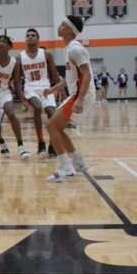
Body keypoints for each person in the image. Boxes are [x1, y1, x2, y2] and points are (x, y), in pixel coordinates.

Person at [43, 16, 95, 182]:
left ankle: (66, 167)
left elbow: (86, 75)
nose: (59, 26)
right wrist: (53, 89)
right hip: (77, 93)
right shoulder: (69, 48)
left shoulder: (75, 49)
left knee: (51, 125)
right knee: (57, 128)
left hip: (81, 94)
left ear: (70, 30)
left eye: (63, 24)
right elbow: (70, 79)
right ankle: (77, 162)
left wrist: (79, 99)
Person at [0, 35, 30, 159]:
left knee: (11, 114)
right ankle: (1, 143)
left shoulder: (15, 63)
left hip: (4, 91)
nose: (0, 43)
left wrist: (23, 100)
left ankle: (21, 146)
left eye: (4, 42)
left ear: (9, 46)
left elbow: (16, 83)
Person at [20, 28, 59, 158]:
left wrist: (60, 90)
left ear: (38, 39)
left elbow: (55, 74)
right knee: (37, 107)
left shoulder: (46, 54)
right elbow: (15, 79)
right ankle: (40, 142)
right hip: (30, 88)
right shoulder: (20, 57)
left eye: (33, 35)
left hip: (45, 87)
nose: (30, 37)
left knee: (52, 114)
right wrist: (23, 99)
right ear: (25, 39)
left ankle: (52, 146)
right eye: (28, 36)